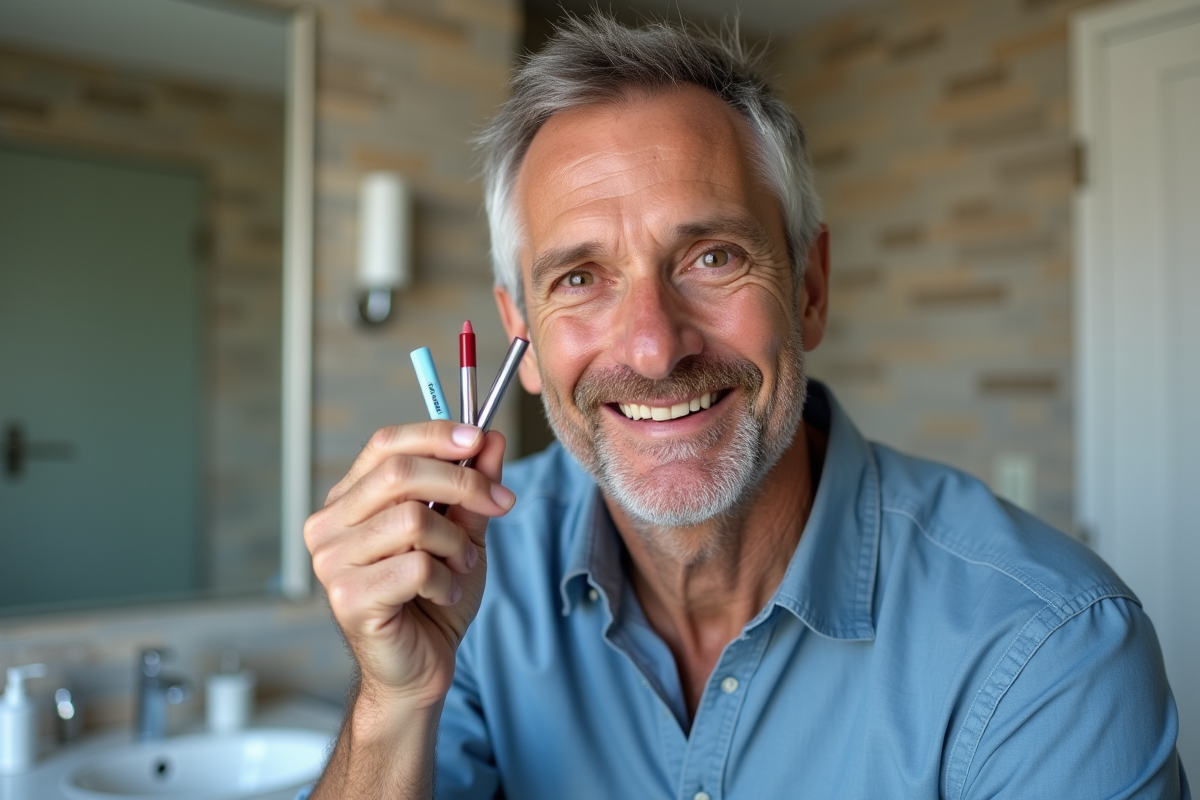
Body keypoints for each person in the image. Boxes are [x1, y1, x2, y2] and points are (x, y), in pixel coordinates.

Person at [301, 16, 1189, 800]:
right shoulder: (472, 580)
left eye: (712, 258)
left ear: (808, 287)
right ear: (521, 336)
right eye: (579, 278)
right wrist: (393, 705)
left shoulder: (1050, 651)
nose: (653, 347)